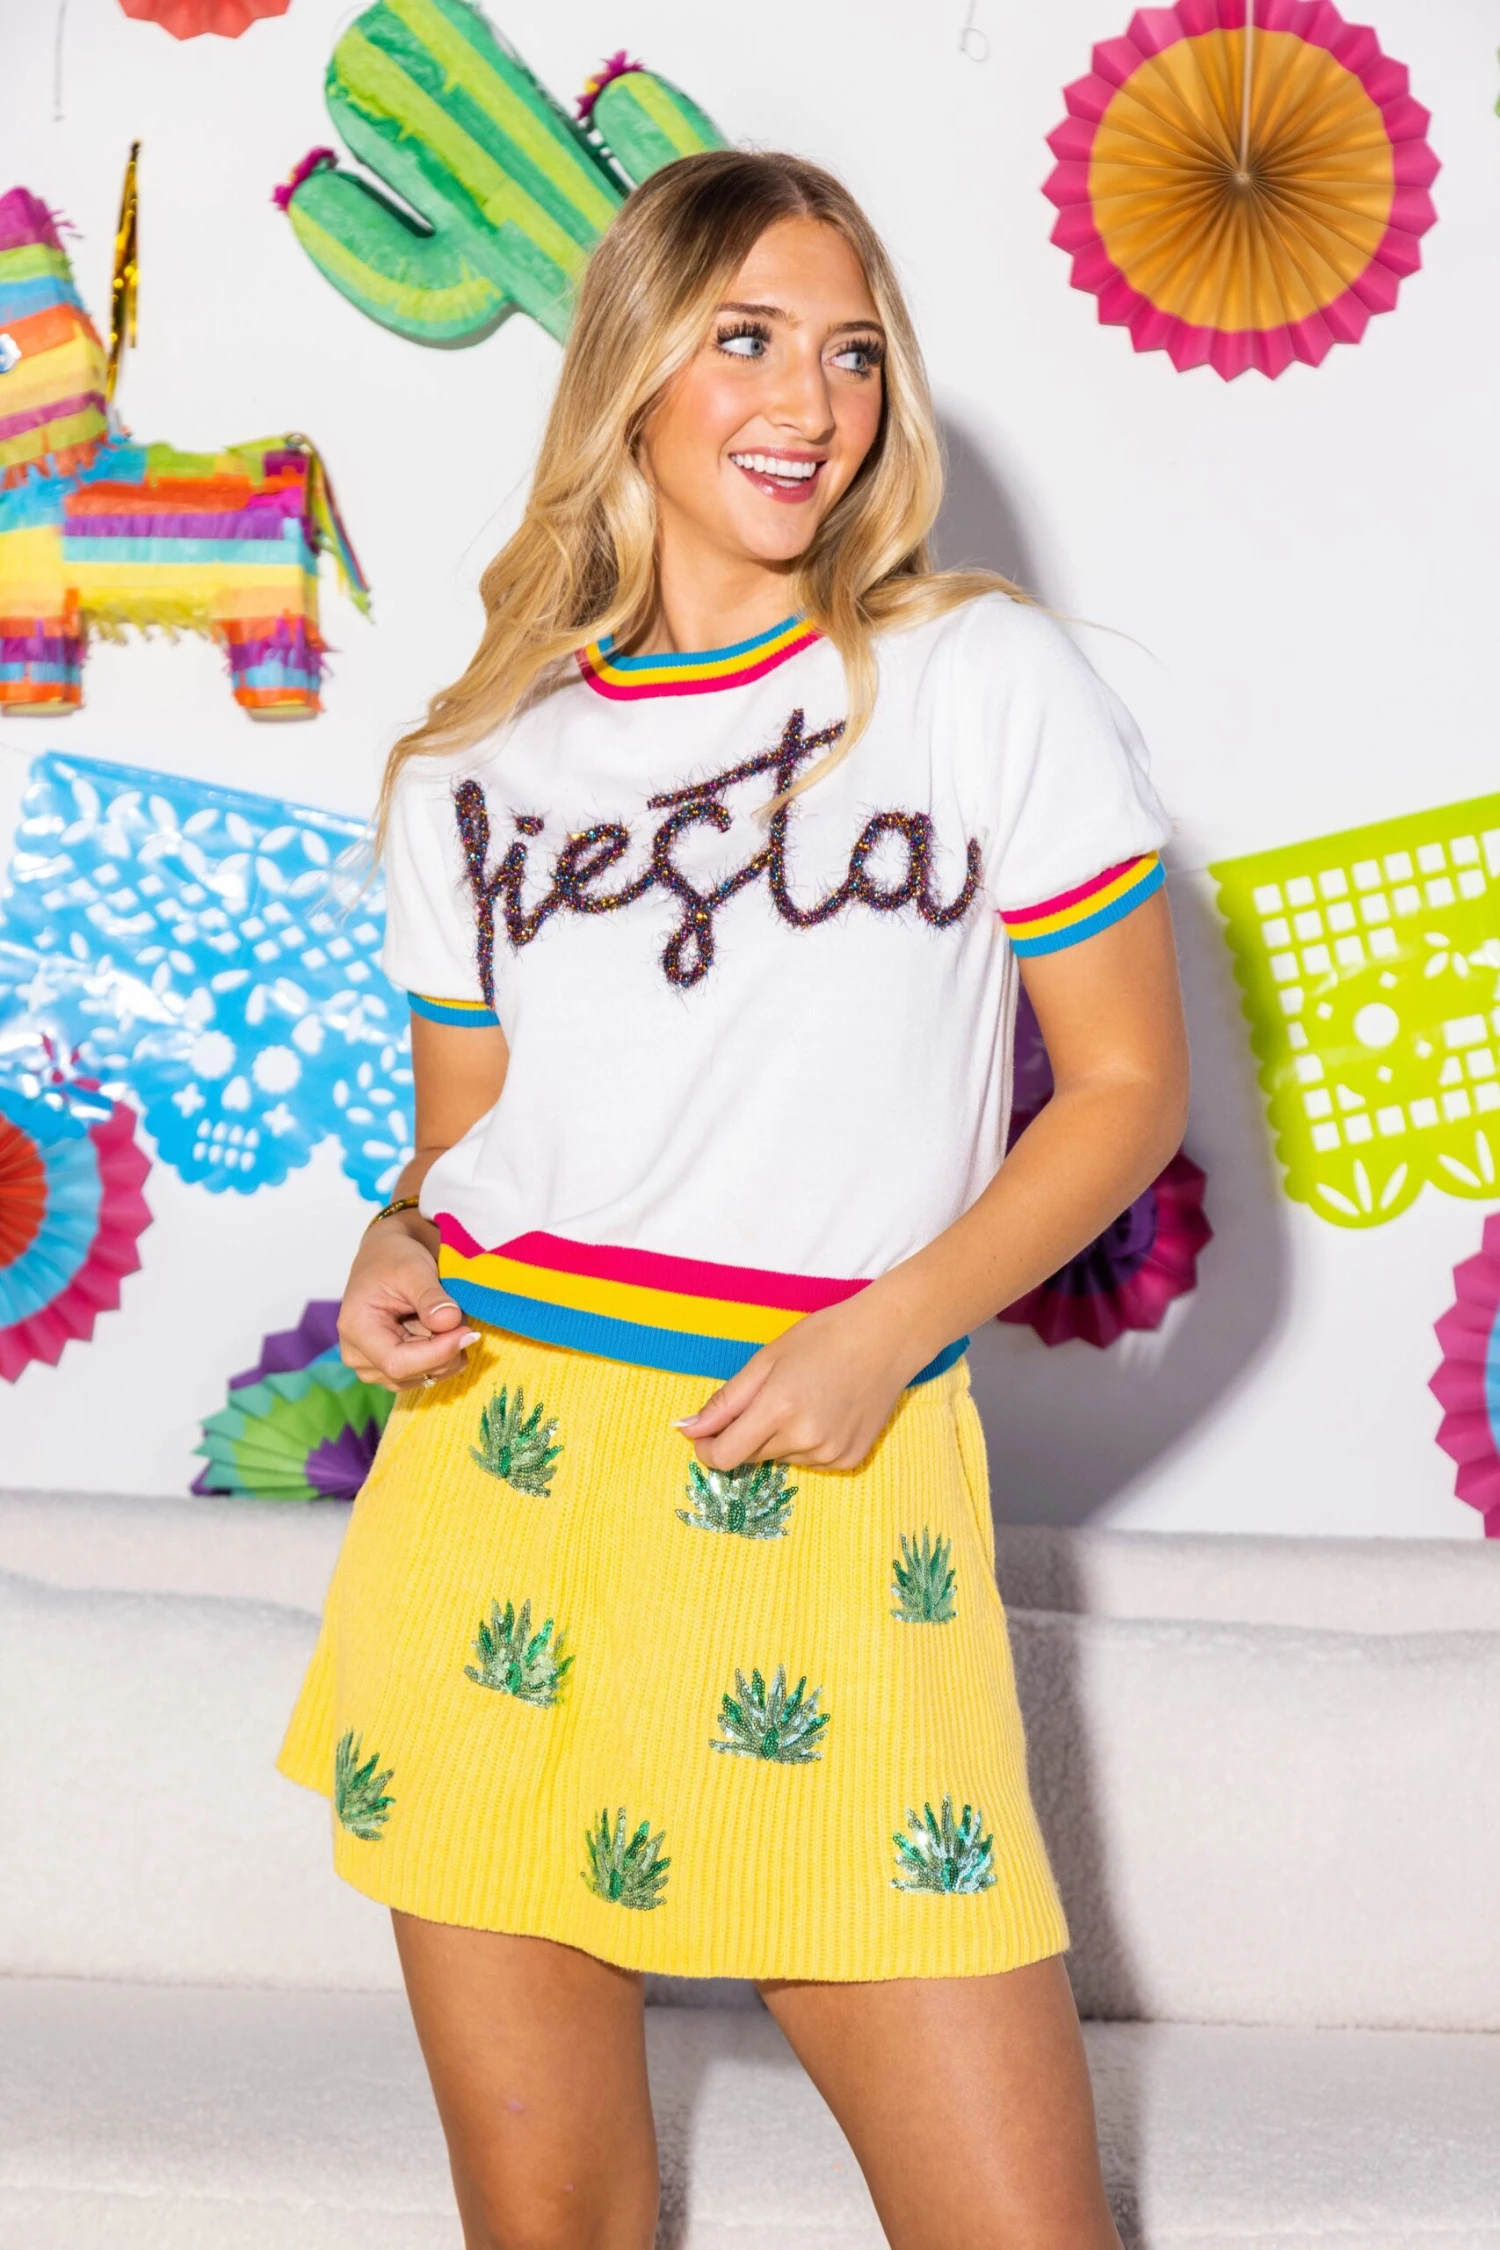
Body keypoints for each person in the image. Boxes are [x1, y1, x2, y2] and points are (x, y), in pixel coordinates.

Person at [279, 147, 1187, 2250]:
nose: (811, 401)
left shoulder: (975, 679)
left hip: (826, 1470)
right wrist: (395, 1235)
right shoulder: (476, 765)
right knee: (554, 2226)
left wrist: (889, 1332)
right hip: (494, 1483)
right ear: (632, 371)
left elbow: (1129, 1091)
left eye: (853, 353)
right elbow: (461, 1136)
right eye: (748, 339)